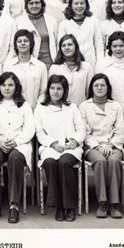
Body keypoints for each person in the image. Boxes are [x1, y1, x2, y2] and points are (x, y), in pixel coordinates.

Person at [34, 74, 86, 222]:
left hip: (71, 147)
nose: (55, 92)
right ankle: (58, 206)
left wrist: (75, 141)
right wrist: (52, 143)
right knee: (50, 162)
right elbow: (40, 132)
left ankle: (69, 206)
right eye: (52, 88)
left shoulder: (72, 107)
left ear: (65, 91)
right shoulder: (40, 108)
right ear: (48, 90)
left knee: (64, 162)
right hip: (50, 147)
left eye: (59, 89)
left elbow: (81, 129)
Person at [0, 72, 35, 223]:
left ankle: (14, 205)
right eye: (3, 85)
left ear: (16, 87)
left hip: (18, 144)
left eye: (10, 85)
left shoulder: (24, 106)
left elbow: (29, 129)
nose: (6, 88)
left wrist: (16, 141)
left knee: (15, 158)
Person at [79, 73, 124, 219]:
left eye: (102, 85)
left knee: (113, 161)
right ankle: (102, 203)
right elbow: (84, 132)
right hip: (93, 146)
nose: (99, 88)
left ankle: (115, 204)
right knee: (100, 161)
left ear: (108, 88)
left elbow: (121, 131)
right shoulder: (84, 106)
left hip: (113, 145)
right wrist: (98, 146)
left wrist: (111, 145)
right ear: (91, 88)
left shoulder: (116, 106)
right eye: (96, 85)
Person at [3, 29, 48, 109]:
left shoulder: (40, 66)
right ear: (15, 45)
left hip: (35, 111)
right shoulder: (8, 66)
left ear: (31, 44)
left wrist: (39, 109)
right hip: (14, 111)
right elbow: (5, 91)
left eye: (26, 41)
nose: (23, 43)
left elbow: (43, 92)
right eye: (19, 41)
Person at [58, 0, 104, 68]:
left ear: (86, 5)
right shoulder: (64, 24)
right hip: (71, 64)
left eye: (82, 3)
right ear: (71, 5)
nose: (79, 6)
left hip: (91, 62)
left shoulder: (94, 21)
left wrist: (100, 64)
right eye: (76, 3)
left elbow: (99, 45)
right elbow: (60, 47)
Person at [15, 0, 58, 69]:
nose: (34, 5)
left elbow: (57, 42)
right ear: (26, 5)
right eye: (31, 3)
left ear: (42, 4)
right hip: (28, 62)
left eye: (37, 3)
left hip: (49, 62)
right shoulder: (19, 21)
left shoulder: (51, 20)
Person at [49, 34, 93, 106]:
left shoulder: (86, 67)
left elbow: (90, 91)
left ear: (76, 47)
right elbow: (51, 92)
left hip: (81, 109)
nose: (67, 47)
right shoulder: (54, 68)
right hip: (61, 110)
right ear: (60, 49)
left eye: (70, 44)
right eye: (63, 45)